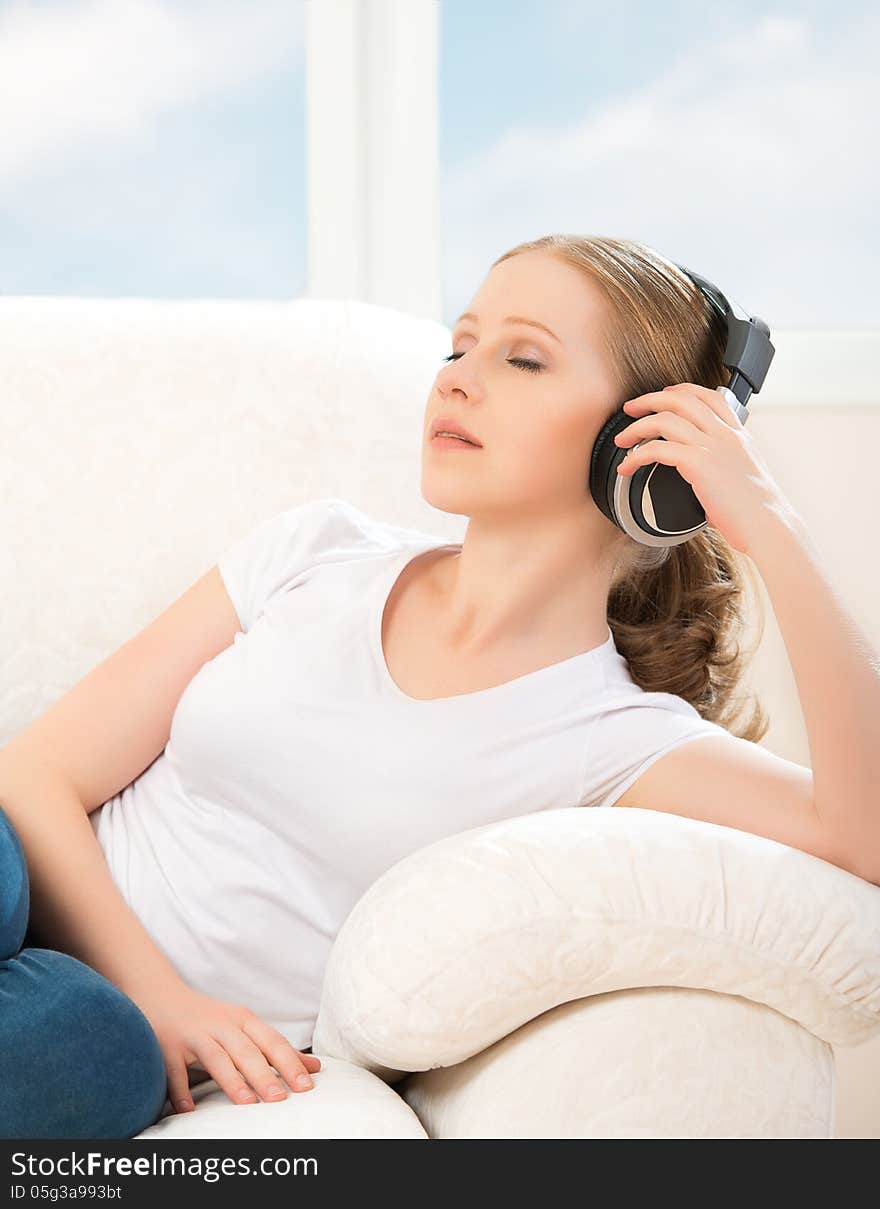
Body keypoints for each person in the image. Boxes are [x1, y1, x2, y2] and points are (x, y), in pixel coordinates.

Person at [0, 235, 765, 1138]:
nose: (456, 378)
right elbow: (34, 776)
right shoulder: (317, 552)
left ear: (651, 451)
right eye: (458, 346)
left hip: (76, 1035)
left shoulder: (618, 737)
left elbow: (861, 830)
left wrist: (768, 520)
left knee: (93, 1049)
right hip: (31, 894)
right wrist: (157, 991)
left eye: (522, 358)